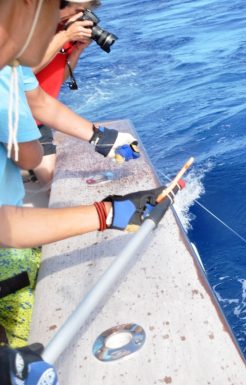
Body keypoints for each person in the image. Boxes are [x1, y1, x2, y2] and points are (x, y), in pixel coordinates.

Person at [0, 2, 175, 381]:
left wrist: (108, 208)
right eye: (61, 10)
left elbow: (40, 101)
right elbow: (27, 154)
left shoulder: (10, 68)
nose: (63, 21)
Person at [32, 0, 102, 185]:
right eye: (77, 10)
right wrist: (64, 36)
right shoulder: (36, 28)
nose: (76, 16)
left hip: (41, 117)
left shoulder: (66, 30)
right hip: (18, 113)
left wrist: (76, 52)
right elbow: (25, 71)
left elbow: (58, 78)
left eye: (82, 12)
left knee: (52, 183)